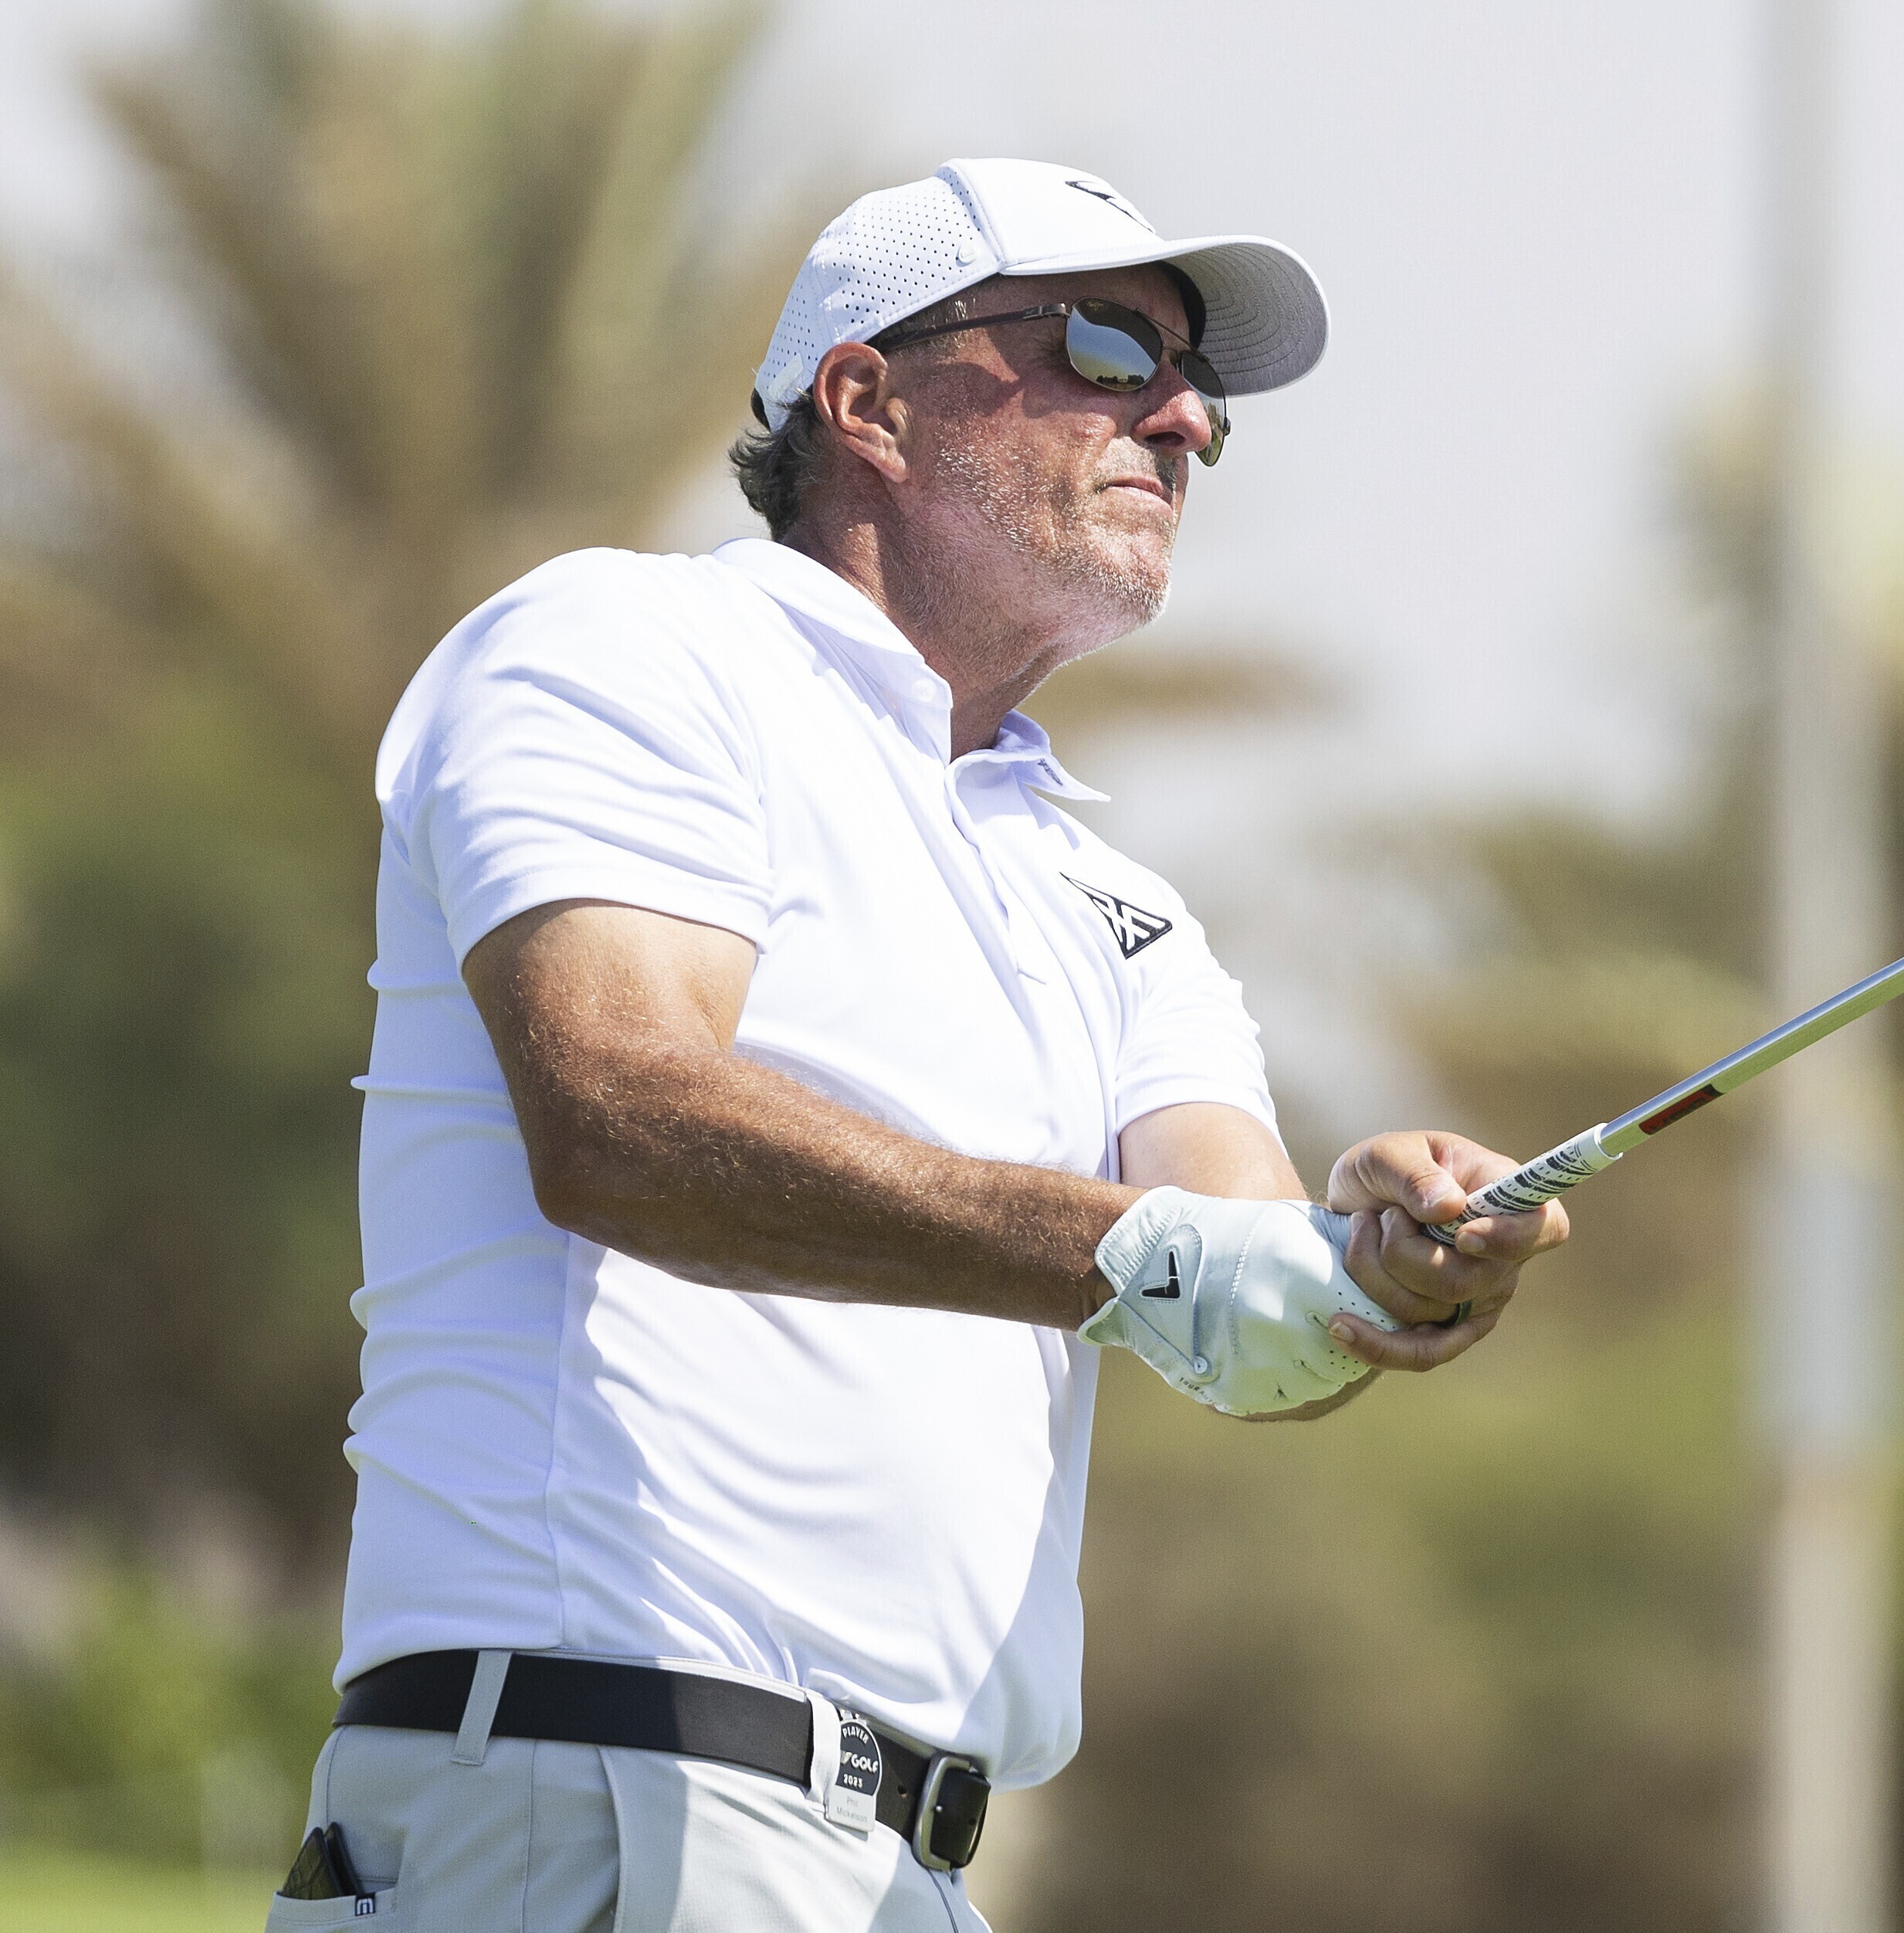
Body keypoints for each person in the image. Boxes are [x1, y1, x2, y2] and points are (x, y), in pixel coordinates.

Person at [266, 158, 1568, 1933]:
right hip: (608, 1793)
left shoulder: (1112, 898)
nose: (1180, 418)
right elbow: (618, 1115)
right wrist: (1147, 1252)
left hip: (907, 1872)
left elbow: (1245, 1308)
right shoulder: (632, 646)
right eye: (1107, 347)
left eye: (1198, 396)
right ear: (865, 397)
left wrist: (1371, 1261)